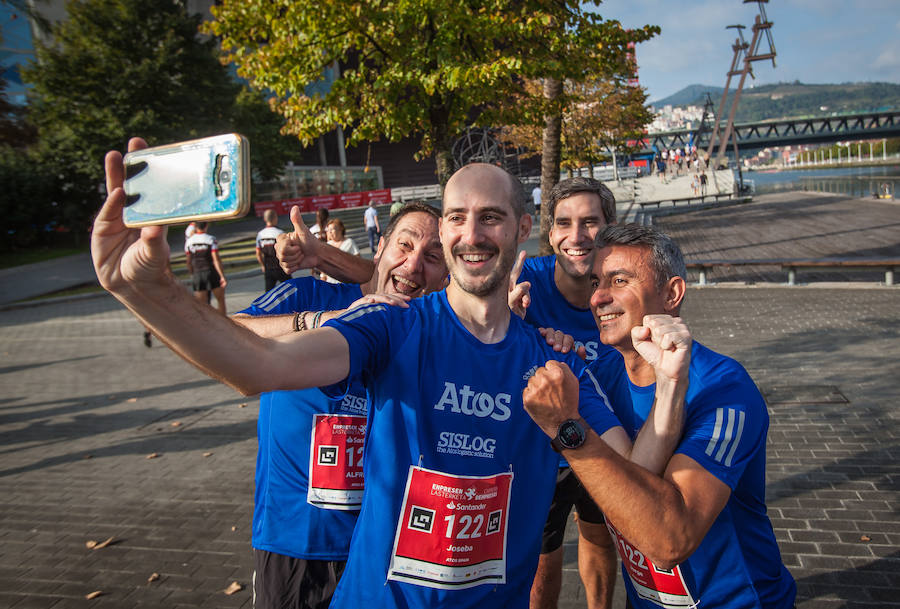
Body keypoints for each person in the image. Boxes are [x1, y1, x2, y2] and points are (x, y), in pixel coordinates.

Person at [93, 142, 686, 609]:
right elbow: (259, 366)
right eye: (456, 217)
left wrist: (666, 383)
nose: (471, 234)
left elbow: (640, 484)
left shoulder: (555, 366)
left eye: (491, 218)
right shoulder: (391, 327)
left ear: (522, 227)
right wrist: (149, 293)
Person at [523, 224, 797, 609]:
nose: (598, 297)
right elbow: (632, 481)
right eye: (597, 281)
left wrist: (569, 427)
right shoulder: (599, 376)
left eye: (619, 281)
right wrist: (519, 327)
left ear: (672, 293)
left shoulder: (724, 391)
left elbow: (669, 539)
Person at [232, 203, 448, 609]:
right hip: (297, 544)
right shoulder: (308, 294)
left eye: (433, 257)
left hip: (386, 552)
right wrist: (324, 321)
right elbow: (230, 332)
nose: (414, 264)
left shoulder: (434, 331)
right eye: (404, 245)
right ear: (379, 247)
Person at [511, 177, 621, 609]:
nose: (576, 237)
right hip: (543, 447)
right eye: (564, 223)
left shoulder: (624, 283)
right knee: (543, 555)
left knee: (599, 533)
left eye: (590, 222)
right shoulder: (524, 282)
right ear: (550, 231)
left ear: (609, 226)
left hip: (610, 438)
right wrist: (504, 316)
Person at [184, 221, 227, 315]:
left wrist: (192, 274)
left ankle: (205, 325)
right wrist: (222, 276)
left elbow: (188, 261)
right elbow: (216, 259)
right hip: (211, 272)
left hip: (197, 273)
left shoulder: (189, 241)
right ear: (206, 226)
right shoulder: (211, 239)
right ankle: (224, 322)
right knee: (220, 300)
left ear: (195, 227)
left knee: (201, 304)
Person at [256, 209, 291, 291]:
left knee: (268, 293)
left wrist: (262, 265)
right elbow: (286, 250)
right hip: (280, 267)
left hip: (268, 268)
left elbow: (258, 253)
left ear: (265, 219)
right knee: (290, 289)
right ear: (275, 218)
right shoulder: (280, 233)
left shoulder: (260, 234)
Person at [321, 219, 359, 283]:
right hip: (330, 283)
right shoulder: (328, 245)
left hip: (346, 282)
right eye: (328, 230)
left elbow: (358, 261)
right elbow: (323, 264)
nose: (330, 232)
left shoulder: (349, 242)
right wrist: (323, 278)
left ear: (340, 229)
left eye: (332, 229)